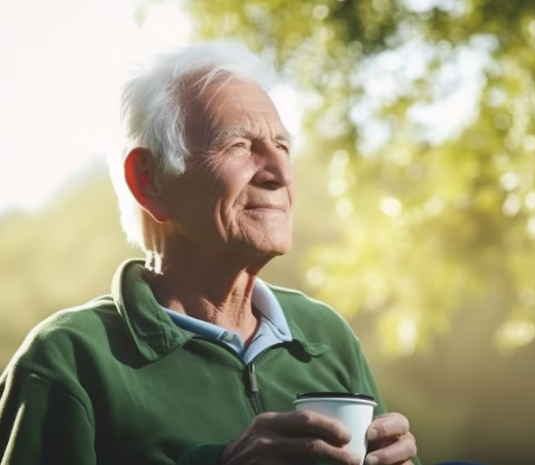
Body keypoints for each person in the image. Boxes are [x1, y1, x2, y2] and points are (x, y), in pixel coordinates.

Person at [0, 42, 418, 465]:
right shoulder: (68, 359)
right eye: (239, 145)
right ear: (150, 181)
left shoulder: (325, 335)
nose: (281, 174)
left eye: (283, 146)